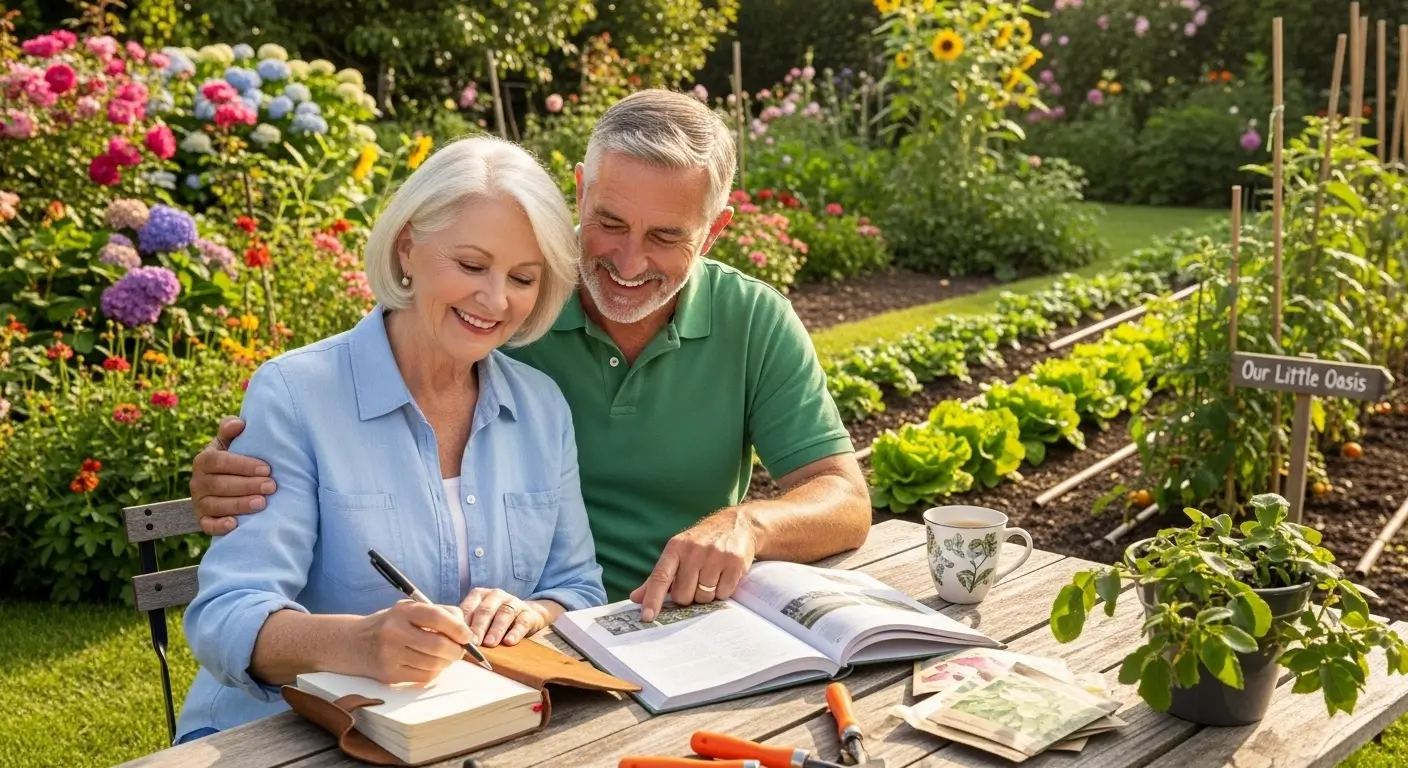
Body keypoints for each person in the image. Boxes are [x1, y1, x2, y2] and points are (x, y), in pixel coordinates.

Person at [187, 88, 872, 625]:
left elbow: (844, 498)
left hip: (664, 623)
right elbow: (368, 376)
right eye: (608, 222)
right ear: (580, 189)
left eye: (666, 237)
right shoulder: (508, 297)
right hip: (534, 637)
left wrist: (744, 524)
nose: (628, 262)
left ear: (714, 233)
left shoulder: (751, 320)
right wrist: (258, 461)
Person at [172, 135, 605, 744]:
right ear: (408, 248)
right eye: (472, 265)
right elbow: (225, 615)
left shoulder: (540, 408)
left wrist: (532, 612)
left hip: (464, 736)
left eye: (523, 277)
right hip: (287, 741)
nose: (495, 299)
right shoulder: (297, 395)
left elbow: (578, 587)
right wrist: (359, 643)